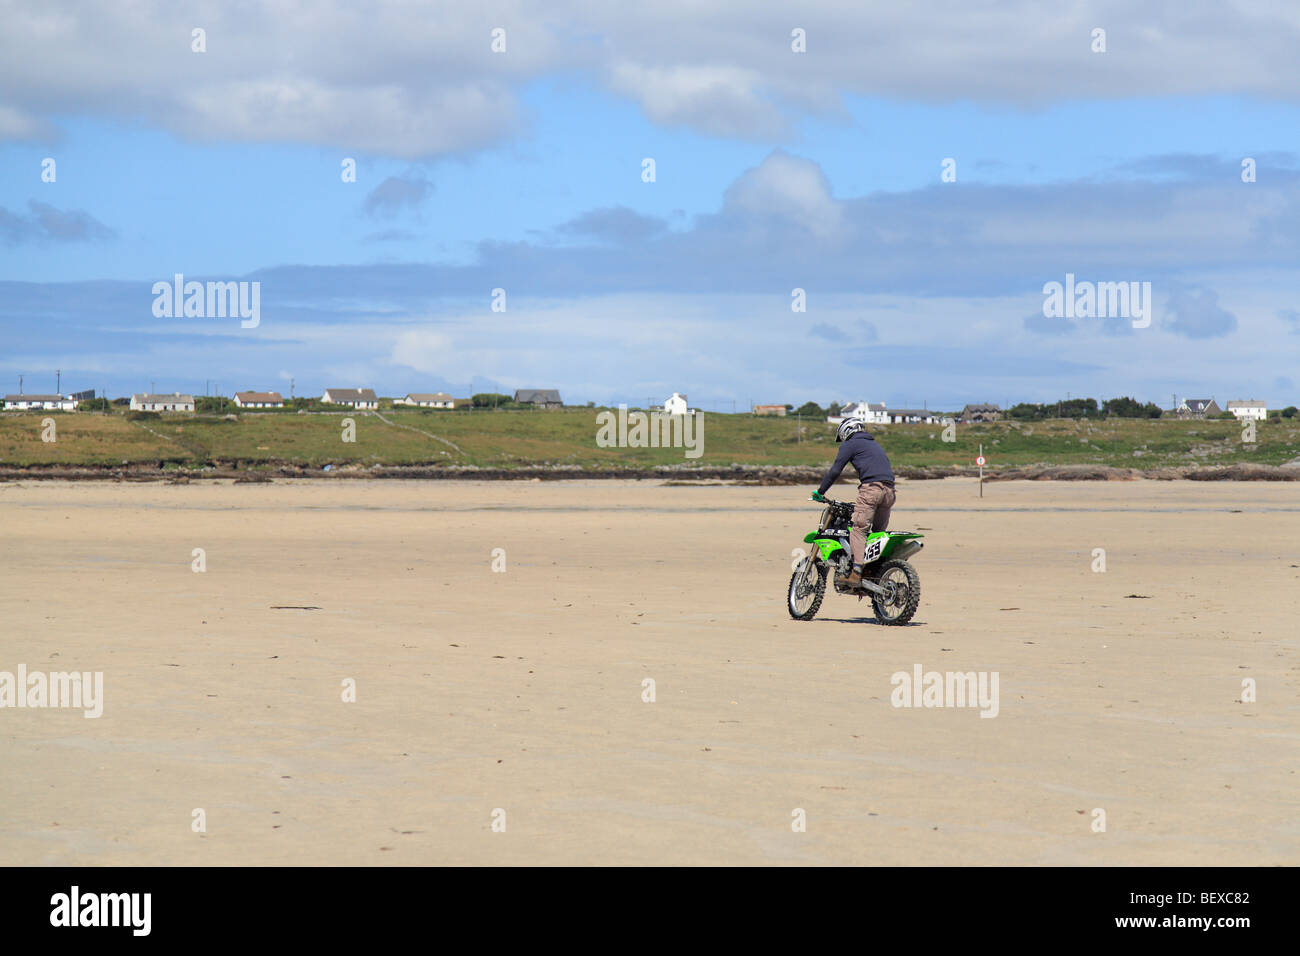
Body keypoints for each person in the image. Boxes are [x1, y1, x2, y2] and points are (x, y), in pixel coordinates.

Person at [811, 418, 896, 588]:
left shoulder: (850, 444)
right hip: (890, 492)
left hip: (871, 490)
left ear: (846, 431)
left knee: (858, 530)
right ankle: (874, 573)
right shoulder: (874, 444)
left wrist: (820, 492)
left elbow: (836, 469)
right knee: (877, 534)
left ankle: (856, 573)